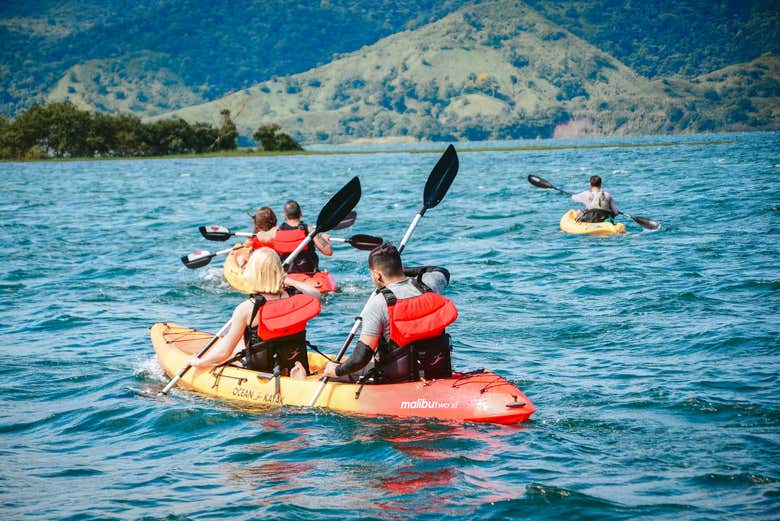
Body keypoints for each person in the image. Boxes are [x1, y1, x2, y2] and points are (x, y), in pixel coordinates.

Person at [323, 242, 457, 383]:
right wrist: (402, 271)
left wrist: (337, 371)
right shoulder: (429, 285)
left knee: (329, 377)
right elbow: (441, 271)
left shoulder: (378, 303)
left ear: (377, 275)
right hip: (437, 370)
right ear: (400, 267)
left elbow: (362, 356)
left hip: (398, 378)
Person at [188, 247, 322, 378]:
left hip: (262, 371)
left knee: (234, 345)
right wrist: (288, 280)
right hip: (293, 359)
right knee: (242, 343)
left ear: (253, 273)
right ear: (279, 270)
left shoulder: (247, 308)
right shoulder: (295, 297)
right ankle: (294, 373)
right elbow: (316, 294)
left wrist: (200, 362)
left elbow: (224, 351)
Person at [276, 200, 332, 274]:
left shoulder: (277, 232)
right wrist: (324, 239)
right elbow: (328, 252)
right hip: (309, 274)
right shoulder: (309, 230)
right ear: (301, 214)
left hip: (287, 276)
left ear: (285, 217)